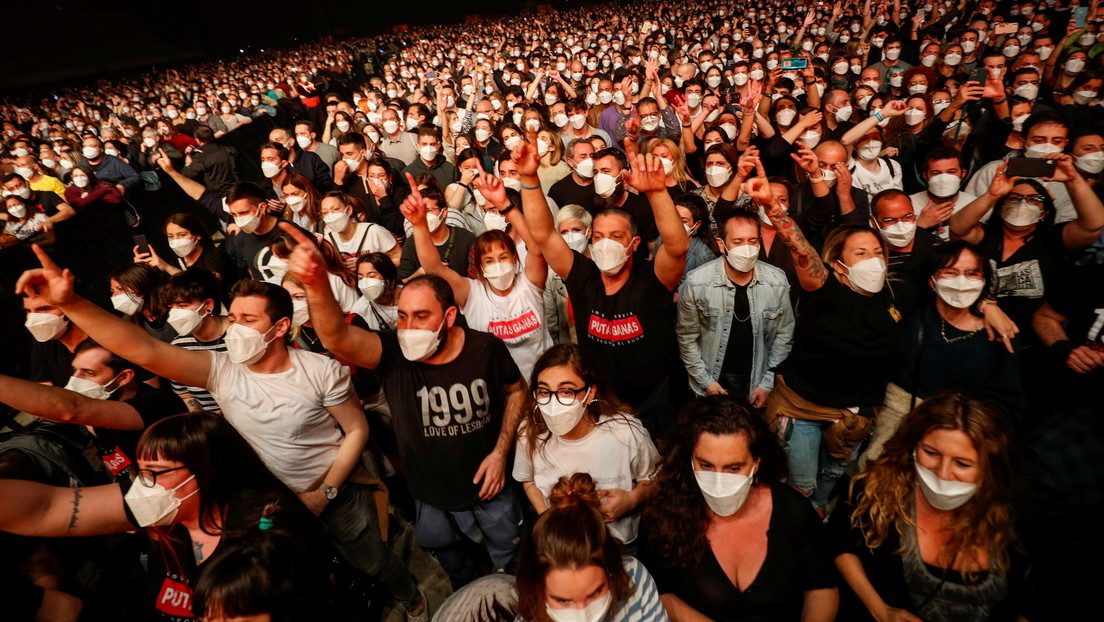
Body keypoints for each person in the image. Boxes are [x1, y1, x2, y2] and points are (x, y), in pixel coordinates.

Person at [15, 252, 428, 620]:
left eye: (248, 321)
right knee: (308, 573)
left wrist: (327, 492)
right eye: (235, 318)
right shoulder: (221, 371)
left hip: (335, 492)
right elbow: (144, 350)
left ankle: (409, 597)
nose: (236, 328)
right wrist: (72, 304)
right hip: (268, 503)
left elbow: (356, 430)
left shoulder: (321, 371)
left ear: (281, 327)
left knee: (371, 560)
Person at [282, 223, 527, 590]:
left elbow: (517, 391)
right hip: (431, 499)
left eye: (422, 316)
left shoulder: (485, 348)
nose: (408, 327)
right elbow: (336, 337)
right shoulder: (392, 352)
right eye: (403, 316)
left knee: (513, 570)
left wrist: (500, 451)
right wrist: (317, 283)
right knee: (460, 574)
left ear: (448, 317)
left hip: (493, 492)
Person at [524, 145, 688, 435]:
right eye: (598, 237)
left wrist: (657, 193)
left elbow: (677, 247)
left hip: (652, 404)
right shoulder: (582, 276)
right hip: (600, 403)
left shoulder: (651, 280)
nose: (605, 243)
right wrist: (529, 179)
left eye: (615, 236)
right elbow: (543, 234)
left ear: (634, 244)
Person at [830, 393, 1028, 622]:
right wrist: (880, 610)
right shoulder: (875, 490)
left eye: (962, 464)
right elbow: (840, 544)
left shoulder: (1013, 516)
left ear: (990, 467)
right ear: (913, 447)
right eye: (931, 453)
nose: (942, 474)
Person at [640, 396, 838, 621]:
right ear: (689, 459)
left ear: (756, 463)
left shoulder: (793, 511)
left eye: (733, 468)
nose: (718, 480)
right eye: (706, 465)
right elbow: (658, 590)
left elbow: (821, 586)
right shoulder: (662, 515)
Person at [861, 242, 1025, 468]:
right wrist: (988, 304)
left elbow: (1008, 400)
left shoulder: (1000, 333)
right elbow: (907, 269)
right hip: (901, 423)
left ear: (984, 280)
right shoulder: (913, 310)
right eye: (951, 272)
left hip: (962, 433)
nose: (961, 281)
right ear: (932, 280)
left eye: (972, 273)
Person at [403, 168, 552, 380]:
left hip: (544, 383)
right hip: (500, 390)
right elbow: (435, 268)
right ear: (479, 266)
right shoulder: (471, 293)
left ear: (514, 258)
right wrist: (419, 225)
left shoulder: (530, 284)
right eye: (489, 261)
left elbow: (536, 248)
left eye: (503, 257)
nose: (497, 265)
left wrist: (505, 206)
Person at [513, 344, 658, 546]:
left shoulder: (625, 433)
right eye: (544, 391)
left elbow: (656, 477)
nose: (553, 403)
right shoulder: (529, 432)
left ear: (590, 393)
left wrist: (632, 499)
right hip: (561, 545)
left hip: (618, 545)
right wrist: (548, 518)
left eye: (566, 391)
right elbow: (528, 480)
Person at [949, 155, 1104, 332]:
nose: (1023, 203)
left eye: (1034, 200)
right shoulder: (985, 235)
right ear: (1001, 209)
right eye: (1014, 198)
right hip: (977, 327)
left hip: (1034, 336)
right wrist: (993, 194)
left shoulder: (1055, 238)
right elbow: (957, 227)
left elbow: (1094, 223)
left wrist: (1073, 179)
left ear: (1044, 212)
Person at [514, 473, 668, 622]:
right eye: (563, 601)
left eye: (595, 593)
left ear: (612, 572)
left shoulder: (633, 576)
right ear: (538, 589)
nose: (583, 615)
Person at [677, 210, 794, 404]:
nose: (746, 248)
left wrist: (767, 383)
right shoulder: (697, 282)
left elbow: (784, 336)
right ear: (722, 244)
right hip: (713, 378)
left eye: (752, 241)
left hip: (757, 379)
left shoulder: (776, 281)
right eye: (738, 242)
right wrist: (706, 382)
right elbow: (687, 338)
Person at [162, 269, 229, 413]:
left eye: (182, 306)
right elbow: (186, 396)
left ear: (208, 305)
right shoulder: (179, 347)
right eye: (171, 307)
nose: (175, 314)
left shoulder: (239, 335)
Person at [396, 185, 476, 280]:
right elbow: (403, 281)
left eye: (429, 210)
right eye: (420, 210)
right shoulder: (412, 242)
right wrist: (423, 271)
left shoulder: (465, 238)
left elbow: (477, 279)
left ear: (444, 212)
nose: (424, 215)